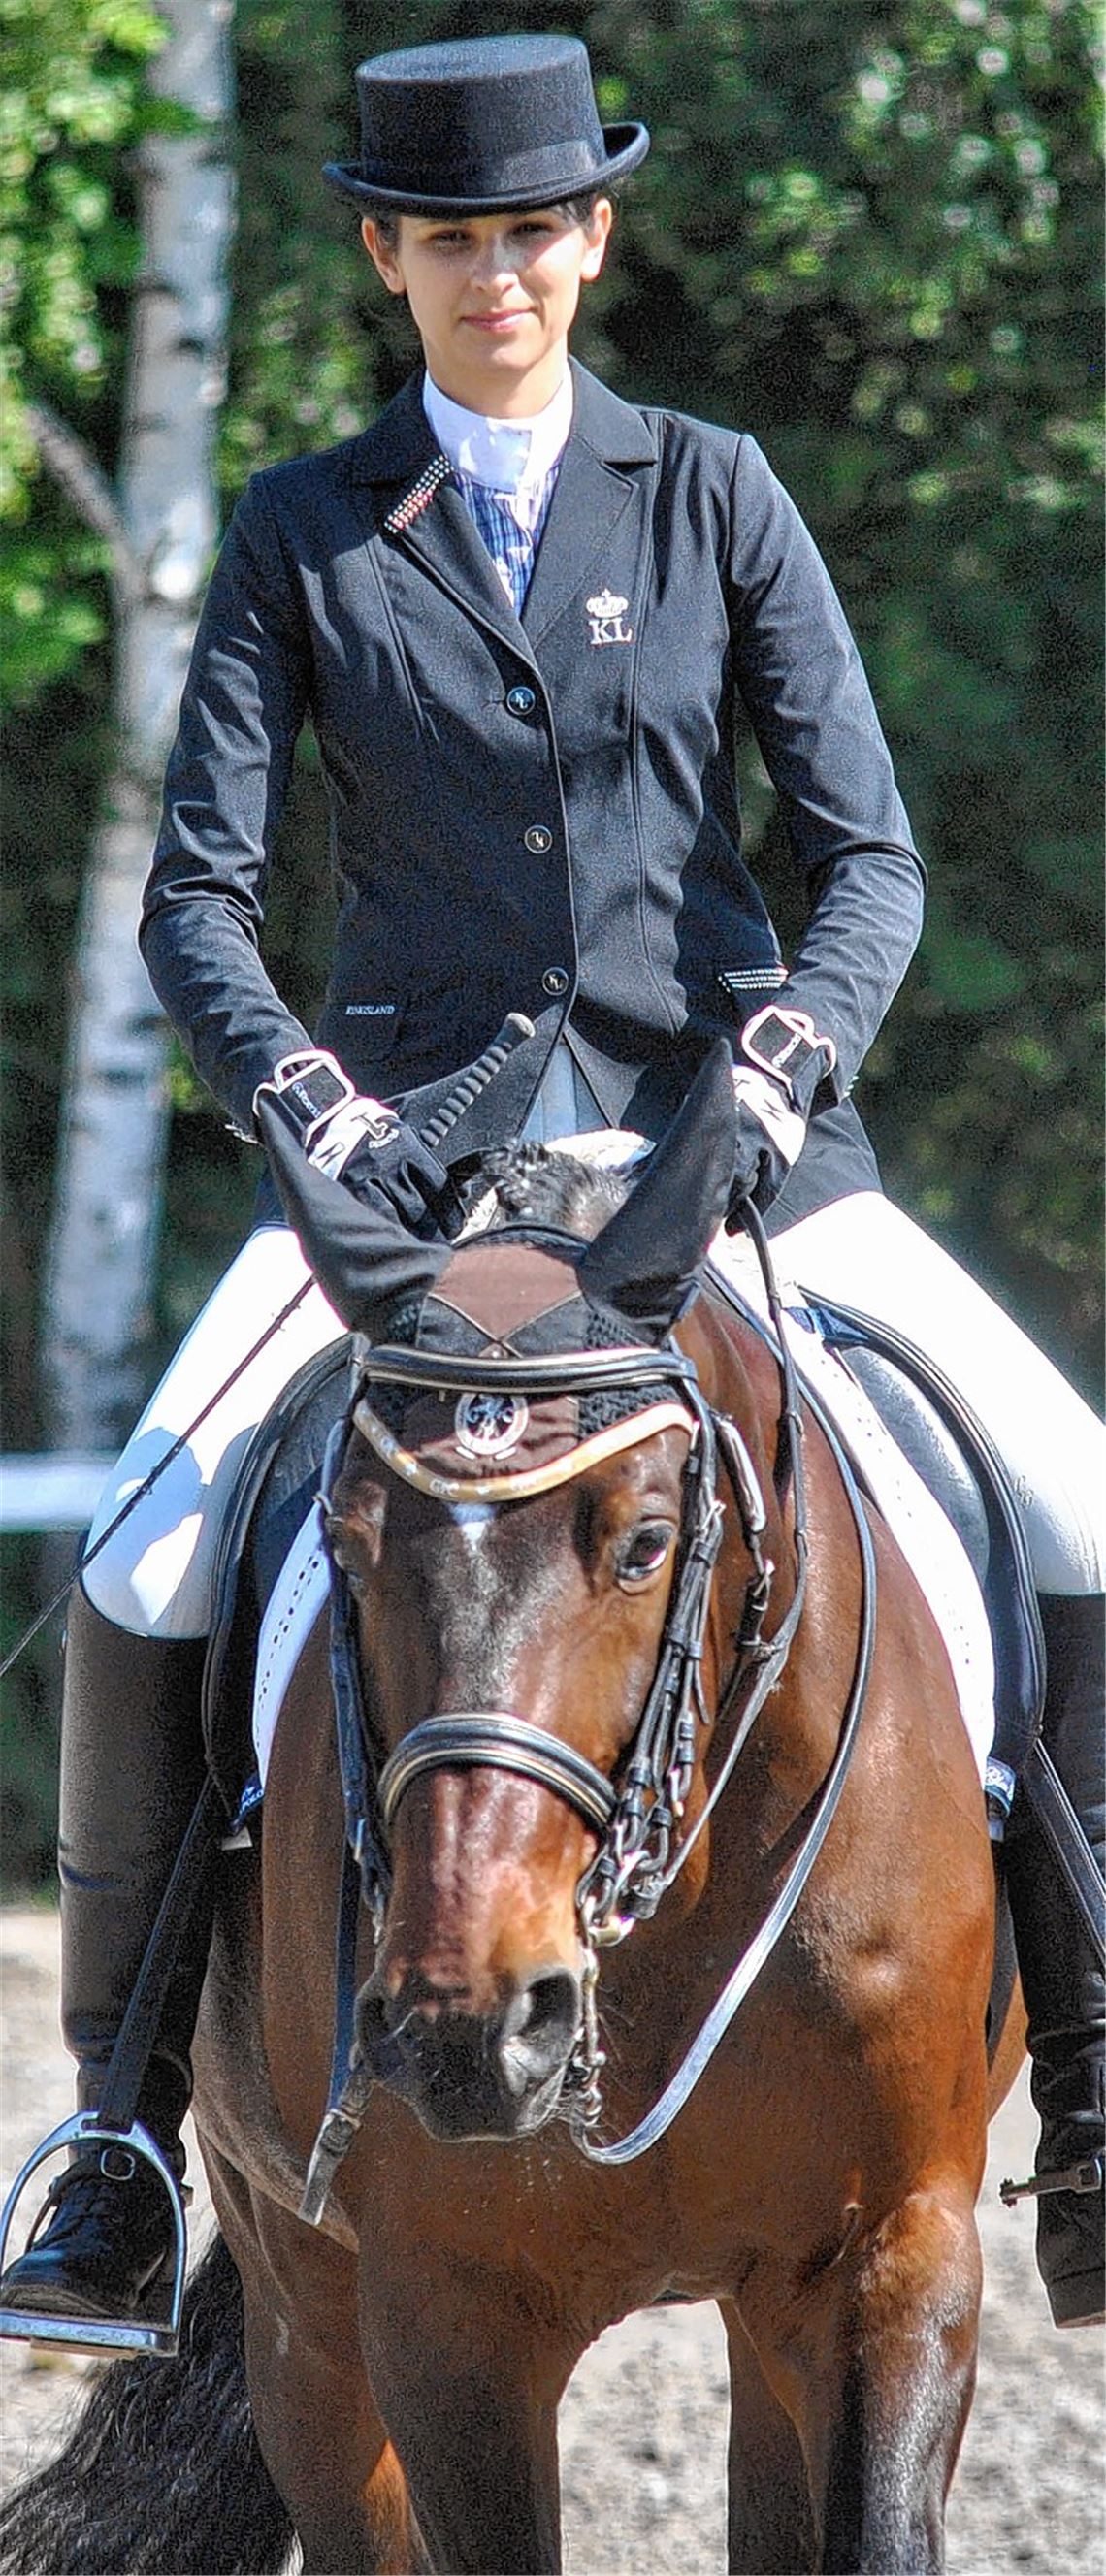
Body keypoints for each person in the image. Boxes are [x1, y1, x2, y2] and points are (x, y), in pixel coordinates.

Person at [2, 32, 1101, 2345]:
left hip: (732, 1160)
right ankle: (111, 2131)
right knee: (147, 1547)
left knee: (1078, 1495)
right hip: (410, 1177)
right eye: (453, 240)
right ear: (389, 256)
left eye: (535, 232)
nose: (497, 275)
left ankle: (1093, 2090)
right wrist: (315, 1113)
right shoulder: (309, 531)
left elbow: (868, 855)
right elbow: (199, 899)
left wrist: (774, 1074)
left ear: (590, 238)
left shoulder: (715, 490)